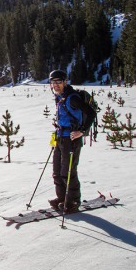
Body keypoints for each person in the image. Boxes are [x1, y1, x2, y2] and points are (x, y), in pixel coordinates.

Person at [48, 69, 96, 213]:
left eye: (58, 81)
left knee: (68, 171)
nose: (55, 85)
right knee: (56, 171)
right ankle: (62, 198)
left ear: (65, 82)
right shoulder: (60, 97)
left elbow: (91, 113)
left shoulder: (72, 97)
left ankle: (73, 201)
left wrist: (82, 131)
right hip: (60, 137)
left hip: (72, 139)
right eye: (53, 82)